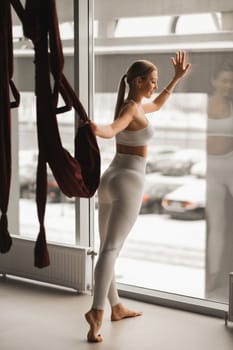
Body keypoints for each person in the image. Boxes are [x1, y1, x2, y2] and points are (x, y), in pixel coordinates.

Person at [85, 51, 191, 342]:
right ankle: (96, 312)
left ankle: (115, 306)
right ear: (138, 81)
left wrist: (175, 80)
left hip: (111, 179)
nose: (155, 86)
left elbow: (157, 103)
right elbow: (112, 129)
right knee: (110, 250)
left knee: (107, 248)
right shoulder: (130, 109)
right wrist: (98, 129)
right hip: (128, 181)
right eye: (153, 81)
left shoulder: (134, 105)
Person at [205, 61, 233, 301]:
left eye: (231, 81)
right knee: (217, 224)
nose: (228, 85)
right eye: (224, 80)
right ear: (214, 81)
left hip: (230, 165)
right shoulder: (202, 106)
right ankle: (213, 274)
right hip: (210, 169)